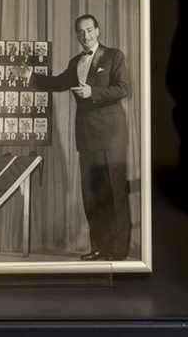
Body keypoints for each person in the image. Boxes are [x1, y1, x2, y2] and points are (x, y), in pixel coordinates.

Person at [30, 14, 131, 261]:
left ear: (97, 30)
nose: (86, 35)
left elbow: (123, 88)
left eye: (89, 30)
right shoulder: (75, 61)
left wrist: (92, 91)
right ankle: (99, 248)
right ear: (77, 35)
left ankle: (118, 252)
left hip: (112, 136)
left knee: (114, 192)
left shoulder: (114, 56)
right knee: (91, 194)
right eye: (81, 32)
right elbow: (57, 83)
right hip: (86, 136)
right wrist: (29, 76)